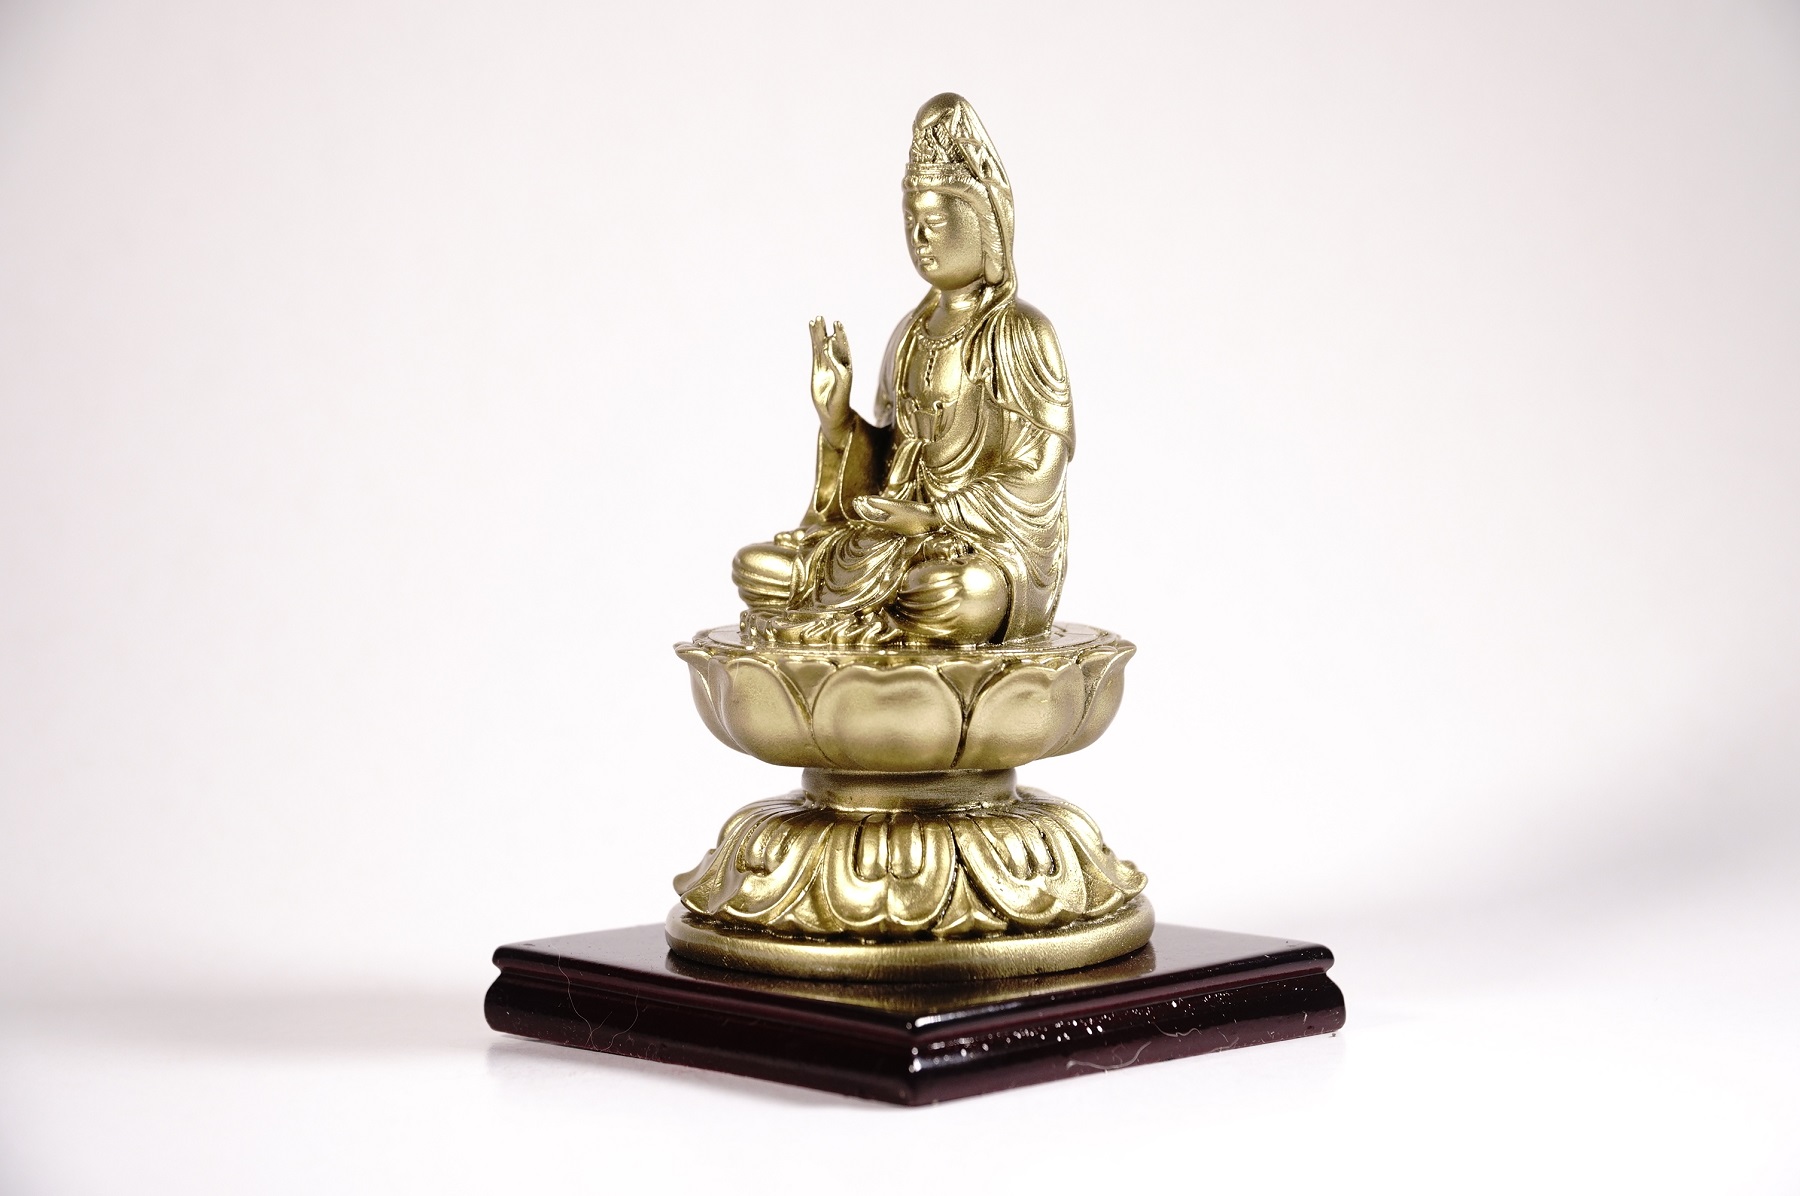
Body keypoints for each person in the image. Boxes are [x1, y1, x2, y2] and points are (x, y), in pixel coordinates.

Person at [733, 94, 1075, 646]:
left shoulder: (1019, 333)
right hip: (892, 542)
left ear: (981, 226)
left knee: (961, 593)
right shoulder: (909, 333)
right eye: (910, 220)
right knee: (757, 569)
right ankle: (868, 615)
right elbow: (886, 460)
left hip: (979, 549)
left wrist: (935, 516)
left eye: (934, 221)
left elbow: (1040, 471)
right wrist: (838, 419)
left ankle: (870, 620)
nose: (919, 238)